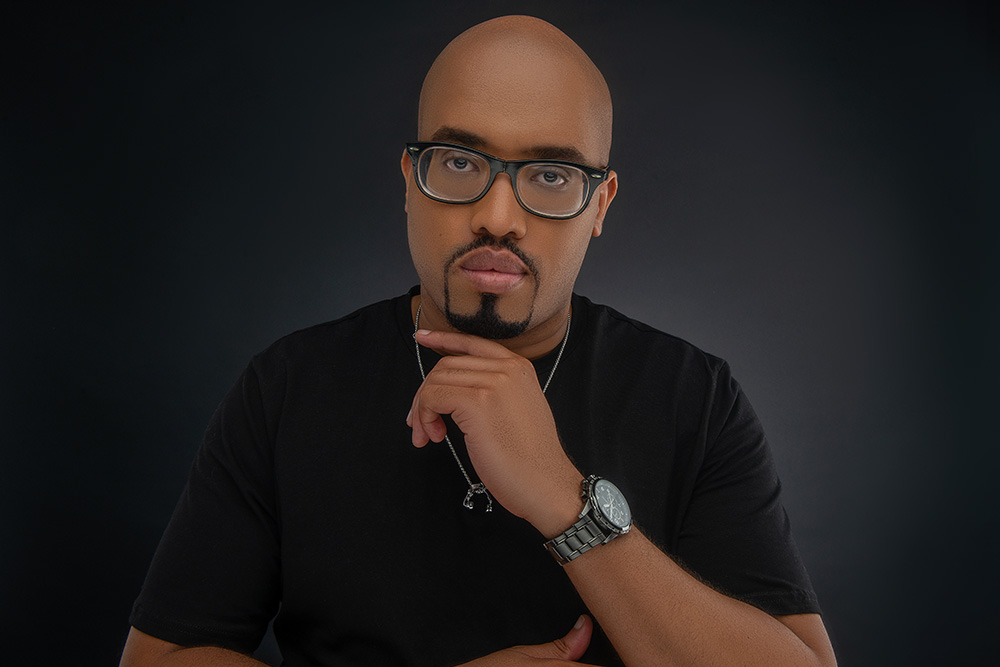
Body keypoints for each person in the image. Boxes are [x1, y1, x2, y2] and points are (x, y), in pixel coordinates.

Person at [120, 15, 836, 667]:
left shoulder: (693, 397)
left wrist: (563, 497)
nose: (498, 217)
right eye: (460, 162)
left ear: (599, 205)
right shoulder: (288, 387)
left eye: (550, 175)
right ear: (411, 180)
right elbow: (156, 659)